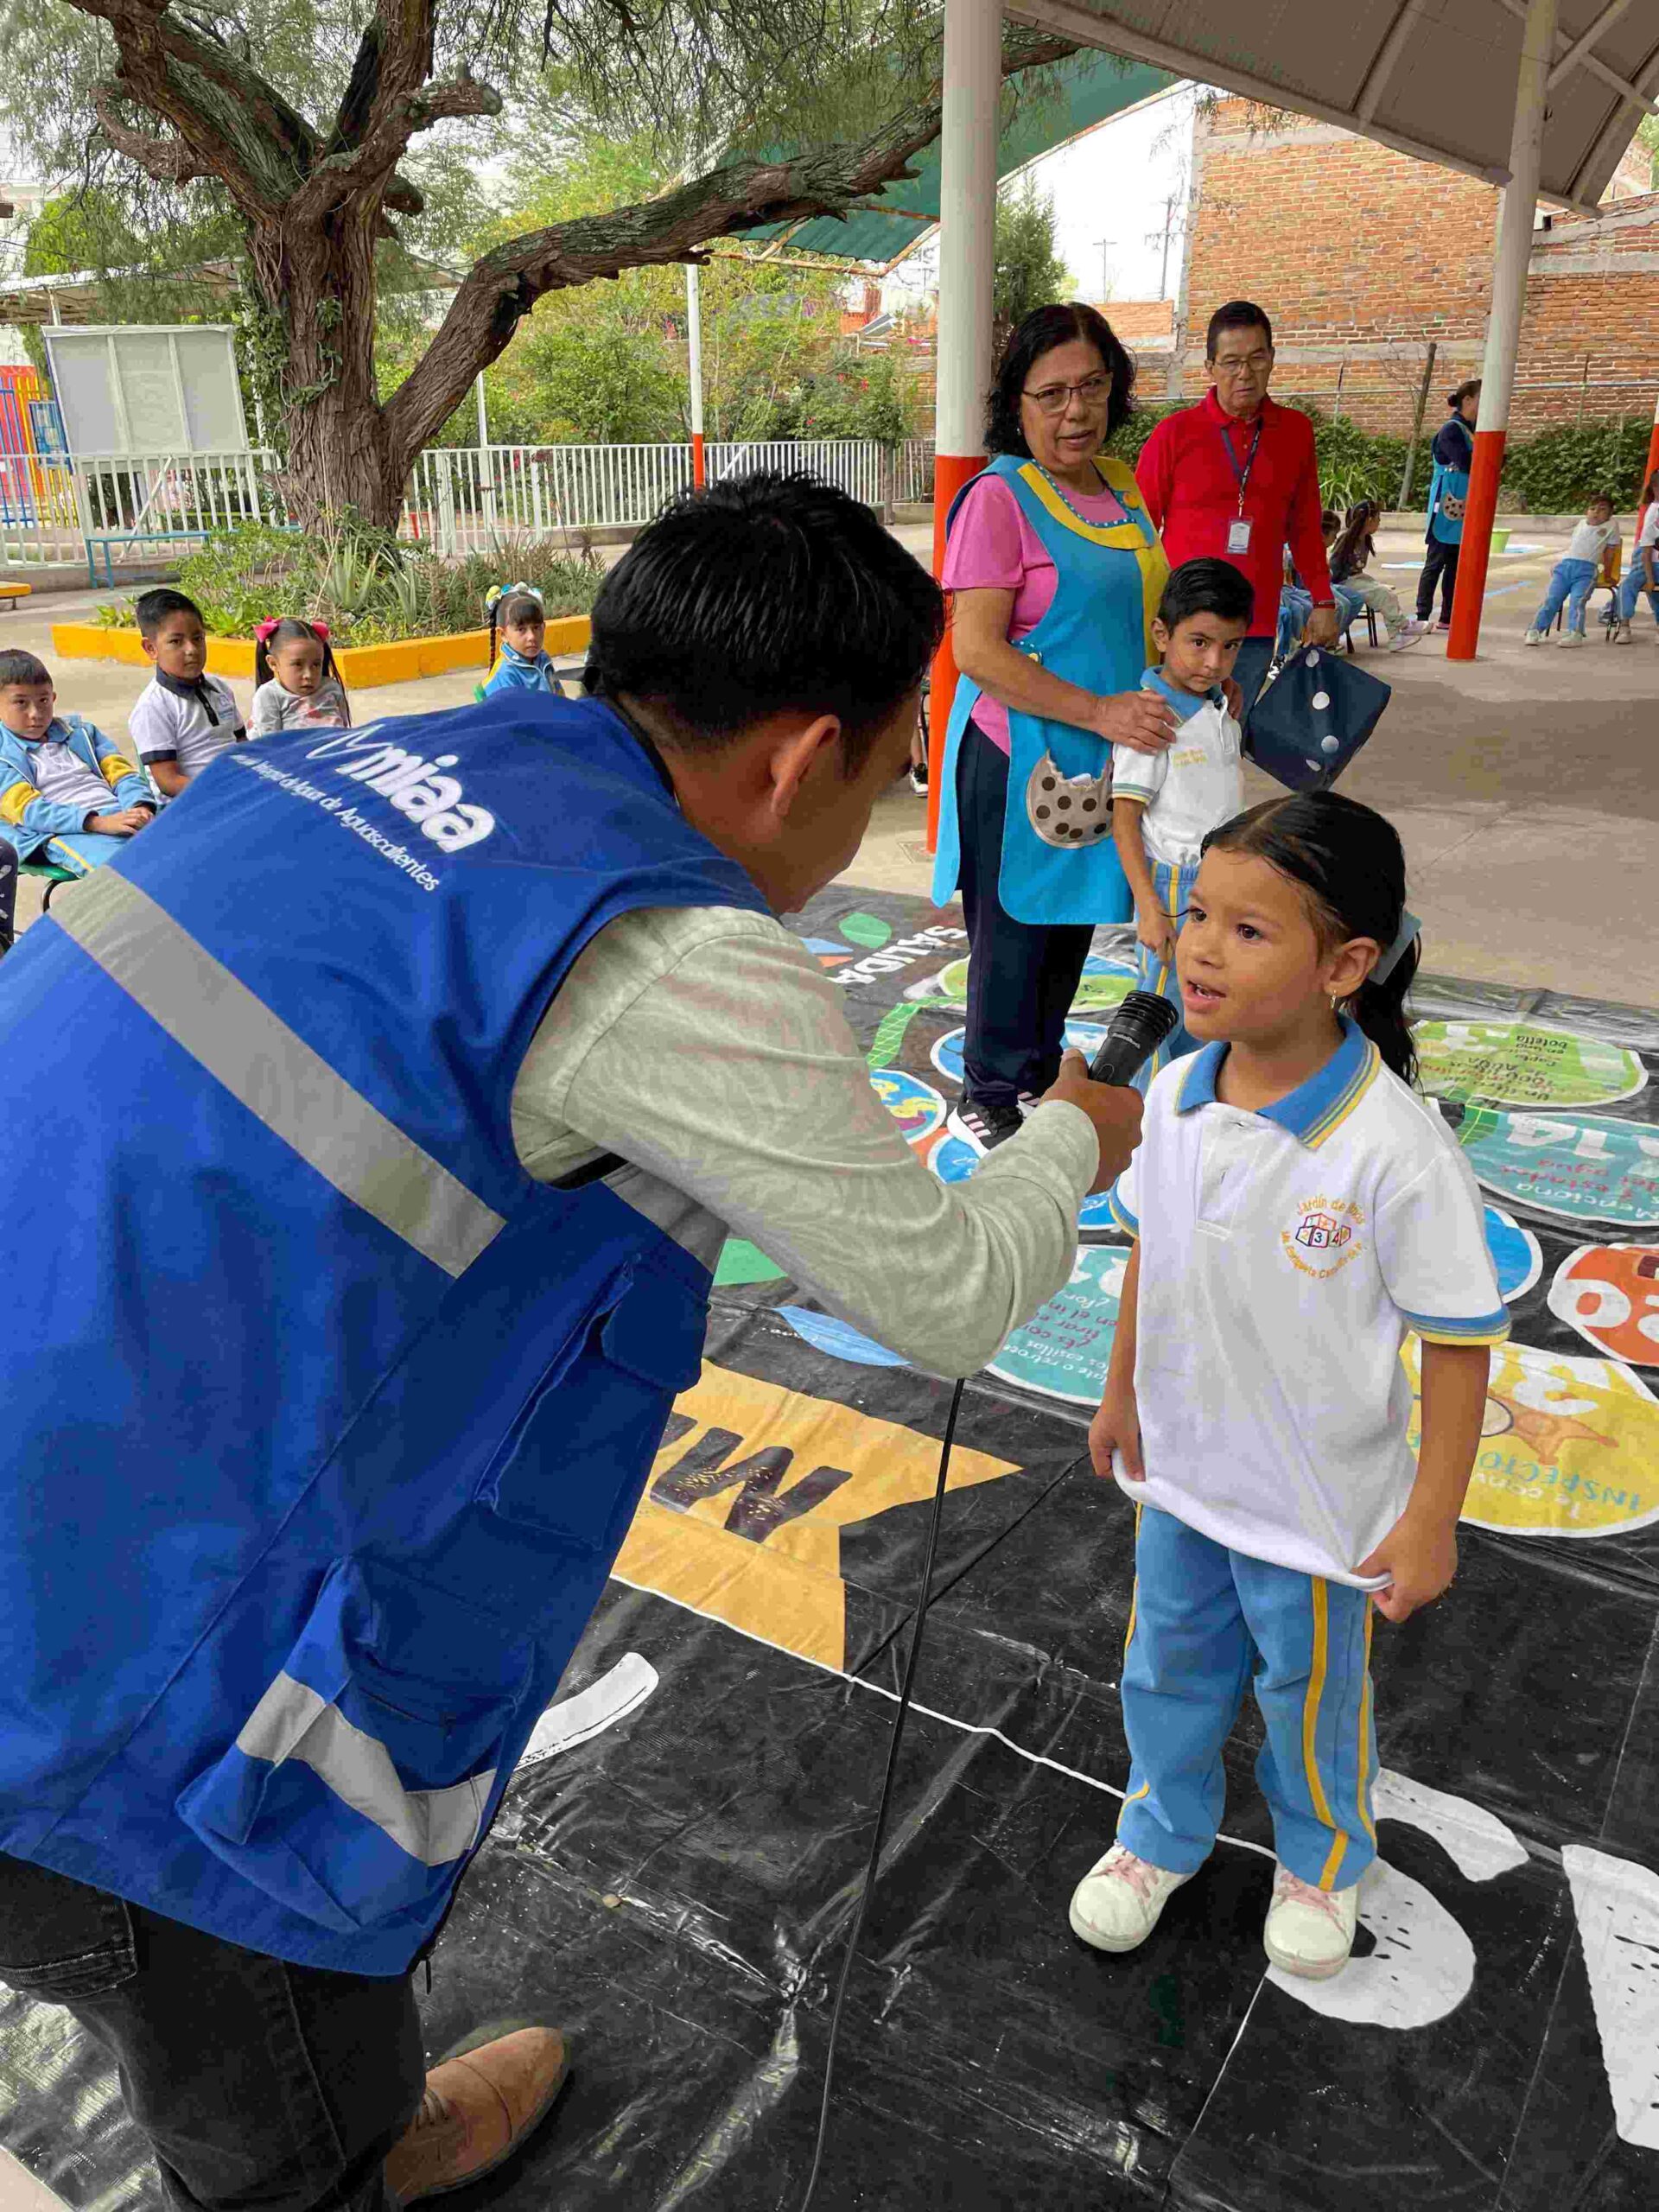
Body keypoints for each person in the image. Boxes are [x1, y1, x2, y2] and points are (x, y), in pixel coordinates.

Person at [0, 472, 1144, 2212]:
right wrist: (1079, 1128)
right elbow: (947, 1290)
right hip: (99, 1669)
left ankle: (362, 2114)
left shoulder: (321, 763)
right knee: (253, 2020)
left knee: (288, 1984)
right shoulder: (666, 942)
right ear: (794, 759)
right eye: (895, 761)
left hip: (76, 1448)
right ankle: (328, 2159)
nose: (884, 803)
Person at [1069, 791, 1507, 1982]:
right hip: (1185, 1481)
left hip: (1315, 1516)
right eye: (1198, 912)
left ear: (1347, 966)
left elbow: (1459, 1343)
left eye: (1250, 931)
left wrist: (1428, 1517)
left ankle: (1321, 1859)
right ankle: (1158, 1833)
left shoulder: (1394, 1146)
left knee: (1311, 1698)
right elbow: (1152, 1253)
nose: (1200, 946)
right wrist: (1124, 1395)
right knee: (1165, 1669)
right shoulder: (1170, 1094)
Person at [932, 302, 1178, 1156]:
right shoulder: (1000, 498)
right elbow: (976, 652)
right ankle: (992, 1092)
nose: (1075, 411)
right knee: (1014, 930)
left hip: (1105, 752)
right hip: (1020, 752)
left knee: (1071, 920)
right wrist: (1100, 710)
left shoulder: (1123, 484)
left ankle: (1038, 1071)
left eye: (1092, 387)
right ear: (1018, 403)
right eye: (1051, 395)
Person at [1135, 301, 1339, 715]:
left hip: (1252, 627)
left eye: (1256, 359)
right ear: (1210, 367)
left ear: (1272, 359)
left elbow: (1303, 526)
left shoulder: (1295, 433)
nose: (1244, 373)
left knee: (1227, 740)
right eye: (1230, 362)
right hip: (1183, 626)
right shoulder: (1174, 434)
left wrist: (1323, 601)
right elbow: (1137, 532)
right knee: (1168, 743)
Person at [1109, 559, 1250, 1082]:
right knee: (1159, 1013)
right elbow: (1126, 821)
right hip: (1172, 890)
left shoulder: (1219, 705)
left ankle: (1194, 1104)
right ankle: (1142, 1129)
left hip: (1220, 881)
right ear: (1162, 635)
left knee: (1208, 1003)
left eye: (1231, 646)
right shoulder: (1151, 718)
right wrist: (1148, 907)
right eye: (1199, 643)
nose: (1214, 662)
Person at [0, 647, 156, 886]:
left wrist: (139, 805)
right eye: (20, 703)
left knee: (186, 847)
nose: (36, 713)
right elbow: (31, 812)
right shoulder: (3, 756)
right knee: (126, 874)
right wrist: (97, 823)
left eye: (43, 700)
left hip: (120, 813)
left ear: (53, 698)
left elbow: (123, 774)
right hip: (61, 832)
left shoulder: (82, 733)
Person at [127, 587, 248, 797]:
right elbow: (168, 781)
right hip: (191, 802)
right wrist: (221, 792)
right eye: (176, 641)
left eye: (198, 638)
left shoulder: (220, 688)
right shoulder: (153, 707)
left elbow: (242, 745)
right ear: (150, 648)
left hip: (235, 787)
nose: (191, 649)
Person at [1415, 380, 1480, 632]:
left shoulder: (1472, 430)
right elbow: (1467, 463)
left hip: (1463, 508)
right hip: (1446, 507)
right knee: (1436, 562)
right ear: (1468, 400)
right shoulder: (1451, 430)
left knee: (1455, 565)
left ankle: (1447, 616)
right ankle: (1422, 615)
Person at [1523, 493, 1621, 648]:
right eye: (1592, 508)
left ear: (1610, 515)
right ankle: (1534, 630)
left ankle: (1575, 633)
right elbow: (1575, 547)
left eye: (1602, 509)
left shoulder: (1611, 526)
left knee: (1578, 601)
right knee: (1551, 599)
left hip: (1586, 571)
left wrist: (1608, 574)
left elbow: (1609, 554)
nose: (1596, 512)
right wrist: (1559, 563)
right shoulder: (1582, 524)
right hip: (1565, 567)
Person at [1330, 500, 1428, 651]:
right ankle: (1404, 626)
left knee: (1387, 593)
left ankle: (1396, 637)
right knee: (1383, 594)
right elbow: (1335, 566)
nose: (1379, 523)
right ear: (1369, 520)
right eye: (1378, 519)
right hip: (1344, 582)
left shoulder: (1366, 540)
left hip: (1357, 578)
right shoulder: (1347, 540)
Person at [1274, 510, 1362, 665]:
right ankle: (1299, 650)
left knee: (1351, 599)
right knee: (1303, 609)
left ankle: (1326, 643)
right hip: (1291, 589)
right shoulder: (1294, 545)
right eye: (1333, 535)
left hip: (1293, 588)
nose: (1335, 539)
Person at [250, 618, 352, 734]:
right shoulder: (269, 696)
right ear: (273, 663)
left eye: (316, 664)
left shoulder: (332, 688)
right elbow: (270, 744)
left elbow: (346, 731)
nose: (308, 675)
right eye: (297, 664)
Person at [482, 583, 563, 696]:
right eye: (521, 629)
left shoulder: (543, 659)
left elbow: (560, 697)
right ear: (503, 634)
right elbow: (514, 713)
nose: (532, 637)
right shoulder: (505, 674)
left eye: (536, 628)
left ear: (544, 628)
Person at [1611, 469, 1659, 644]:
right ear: (1655, 489)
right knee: (1627, 587)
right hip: (1648, 563)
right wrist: (1649, 578)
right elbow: (1646, 551)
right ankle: (1624, 626)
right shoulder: (1653, 513)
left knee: (1656, 596)